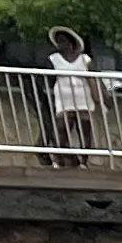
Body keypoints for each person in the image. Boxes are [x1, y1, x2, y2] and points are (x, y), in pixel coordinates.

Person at [42, 27, 98, 168]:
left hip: (82, 96)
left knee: (84, 128)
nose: (61, 44)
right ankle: (58, 159)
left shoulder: (85, 59)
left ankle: (84, 161)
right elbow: (49, 79)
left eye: (64, 41)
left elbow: (92, 78)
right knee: (63, 127)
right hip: (63, 97)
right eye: (59, 41)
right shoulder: (53, 59)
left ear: (71, 42)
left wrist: (97, 95)